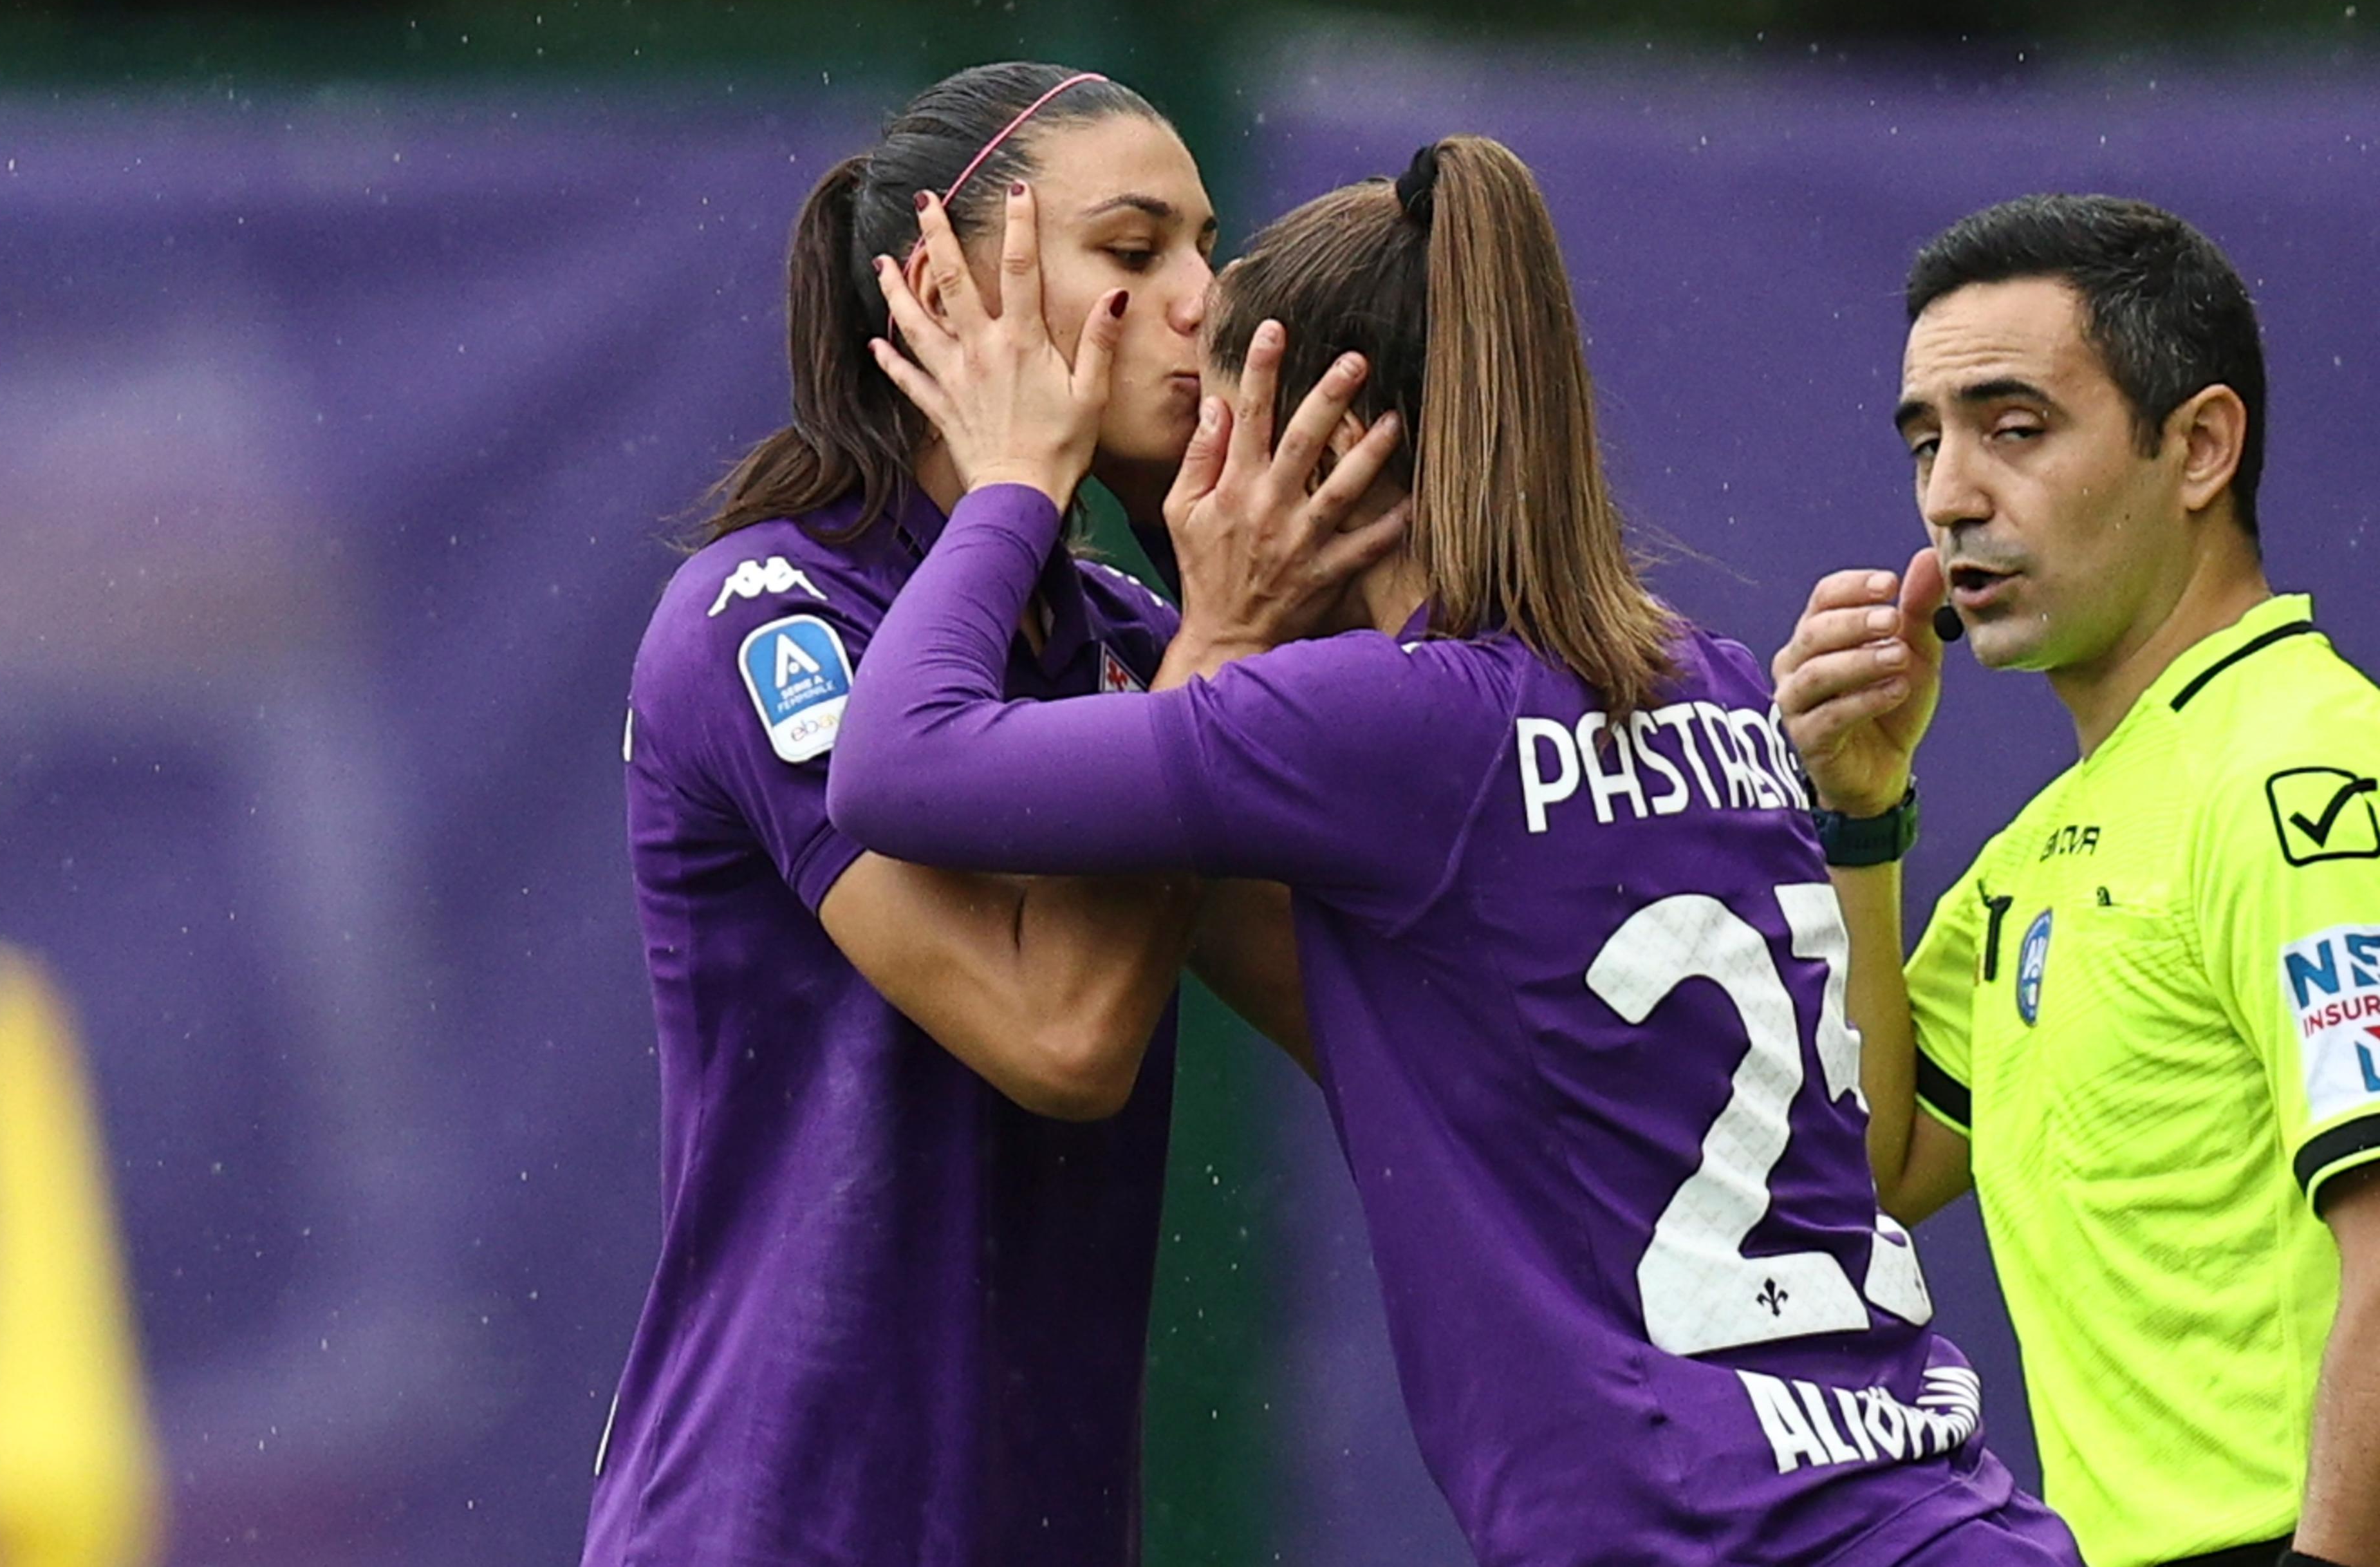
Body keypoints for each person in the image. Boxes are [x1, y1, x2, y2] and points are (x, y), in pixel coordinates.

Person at [828, 135, 2078, 1565]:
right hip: (1949, 1508)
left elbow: (895, 759)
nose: (1185, 496)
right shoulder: (1717, 680)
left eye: (1214, 443)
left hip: (1719, 1534)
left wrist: (1013, 481)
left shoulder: (1380, 727)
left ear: (1321, 455)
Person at [581, 61, 1399, 1567]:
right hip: (781, 1525)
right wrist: (1208, 649)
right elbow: (1058, 1034)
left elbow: (1382, 1029)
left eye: (1204, 250)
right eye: (1134, 251)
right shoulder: (766, 618)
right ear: (945, 288)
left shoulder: (1134, 636)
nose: (1200, 302)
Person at [1772, 193, 2380, 1567]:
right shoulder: (2036, 855)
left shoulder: (2305, 774)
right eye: (1928, 440)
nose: (1950, 493)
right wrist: (1862, 827)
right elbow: (1871, 1175)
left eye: (2015, 427)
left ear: (2201, 446)